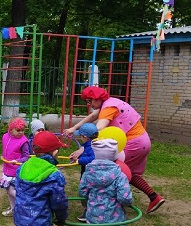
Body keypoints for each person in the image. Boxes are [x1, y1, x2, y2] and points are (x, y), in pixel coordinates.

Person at [65, 86, 165, 214]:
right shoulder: (110, 103)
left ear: (97, 98)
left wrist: (83, 149)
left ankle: (100, 207)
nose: (88, 104)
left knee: (105, 170)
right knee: (129, 171)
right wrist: (74, 128)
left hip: (132, 143)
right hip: (142, 141)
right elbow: (92, 117)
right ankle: (154, 197)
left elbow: (97, 131)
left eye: (90, 101)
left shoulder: (108, 108)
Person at [77, 139, 133, 226]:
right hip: (114, 217)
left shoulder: (88, 172)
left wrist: (91, 198)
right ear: (115, 155)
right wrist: (128, 203)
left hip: (94, 215)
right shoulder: (119, 175)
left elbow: (82, 192)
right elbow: (125, 198)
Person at [0, 117, 31, 217]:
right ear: (11, 129)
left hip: (16, 170)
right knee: (8, 191)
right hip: (7, 168)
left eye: (23, 130)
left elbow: (26, 156)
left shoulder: (24, 141)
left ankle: (27, 204)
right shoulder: (5, 136)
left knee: (11, 190)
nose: (21, 132)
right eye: (18, 130)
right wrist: (3, 155)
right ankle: (14, 209)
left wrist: (17, 161)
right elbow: (5, 149)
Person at [72, 122, 98, 222]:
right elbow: (86, 154)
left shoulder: (92, 146)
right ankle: (90, 210)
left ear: (85, 136)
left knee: (86, 192)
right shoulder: (88, 144)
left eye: (81, 136)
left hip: (90, 174)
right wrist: (78, 156)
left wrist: (79, 161)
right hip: (87, 173)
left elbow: (92, 158)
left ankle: (89, 212)